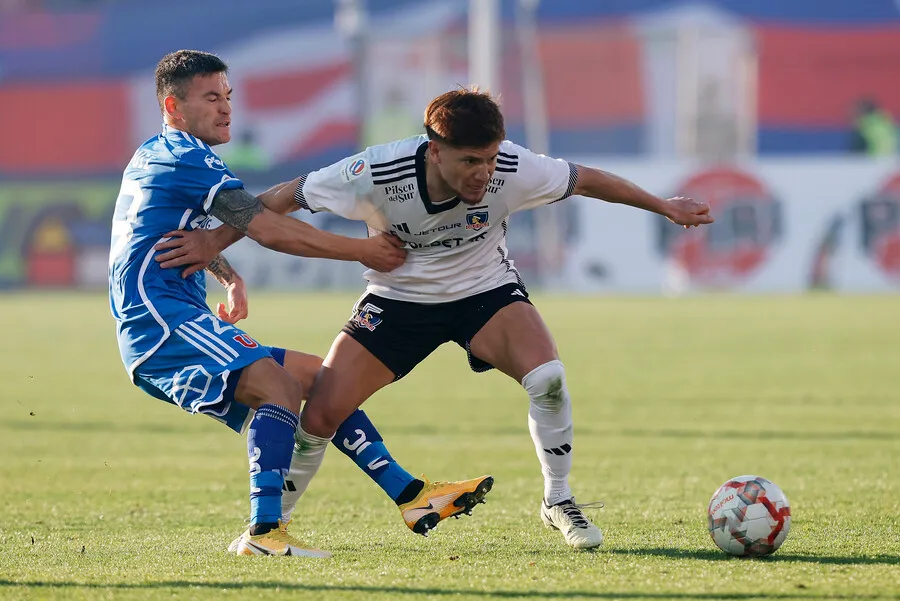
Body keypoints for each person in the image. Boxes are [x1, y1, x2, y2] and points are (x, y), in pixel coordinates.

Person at [156, 87, 714, 551]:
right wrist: (214, 242)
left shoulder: (514, 167)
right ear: (434, 150)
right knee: (322, 412)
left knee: (548, 378)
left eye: (489, 158)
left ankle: (558, 499)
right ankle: (267, 532)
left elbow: (586, 178)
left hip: (484, 291)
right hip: (397, 301)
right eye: (470, 161)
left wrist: (665, 206)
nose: (483, 173)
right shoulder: (376, 171)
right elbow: (284, 197)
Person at [110, 51, 492, 558]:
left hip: (171, 318)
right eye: (211, 98)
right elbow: (266, 228)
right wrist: (360, 250)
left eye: (228, 97)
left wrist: (227, 275)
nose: (226, 108)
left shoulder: (158, 152)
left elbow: (169, 236)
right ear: (172, 106)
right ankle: (264, 532)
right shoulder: (188, 157)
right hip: (161, 324)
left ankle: (411, 495)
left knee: (321, 380)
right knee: (280, 388)